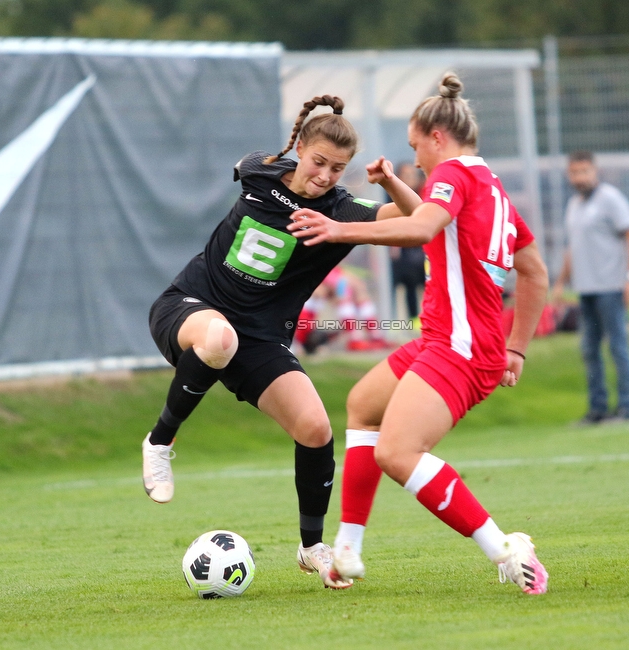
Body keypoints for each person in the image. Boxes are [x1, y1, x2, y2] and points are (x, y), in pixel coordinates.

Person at [142, 94, 421, 589]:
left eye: (338, 168)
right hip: (188, 307)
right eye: (318, 162)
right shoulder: (260, 172)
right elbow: (245, 164)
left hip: (259, 339)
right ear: (301, 152)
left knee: (315, 427)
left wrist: (390, 183)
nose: (325, 175)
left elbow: (420, 226)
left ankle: (311, 545)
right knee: (218, 335)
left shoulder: (343, 211)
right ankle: (160, 442)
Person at [287, 73, 551, 595]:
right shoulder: (491, 189)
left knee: (397, 453)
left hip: (460, 346)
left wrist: (339, 229)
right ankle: (348, 549)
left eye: (415, 148)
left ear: (436, 137)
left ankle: (504, 548)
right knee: (363, 404)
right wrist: (516, 347)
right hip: (450, 340)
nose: (418, 162)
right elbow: (533, 271)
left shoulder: (451, 173)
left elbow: (424, 227)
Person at [551, 150, 629, 424]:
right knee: (589, 350)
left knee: (618, 347)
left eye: (585, 171)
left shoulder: (610, 199)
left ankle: (627, 408)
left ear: (595, 171)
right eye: (575, 172)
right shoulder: (574, 205)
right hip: (586, 289)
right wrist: (560, 282)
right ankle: (598, 409)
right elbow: (574, 247)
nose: (580, 177)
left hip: (611, 286)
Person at [389, 162, 427, 321]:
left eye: (413, 175)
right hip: (404, 250)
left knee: (426, 284)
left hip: (421, 249)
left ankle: (428, 318)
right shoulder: (392, 198)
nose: (410, 179)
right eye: (406, 176)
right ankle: (411, 319)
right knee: (408, 284)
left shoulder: (424, 195)